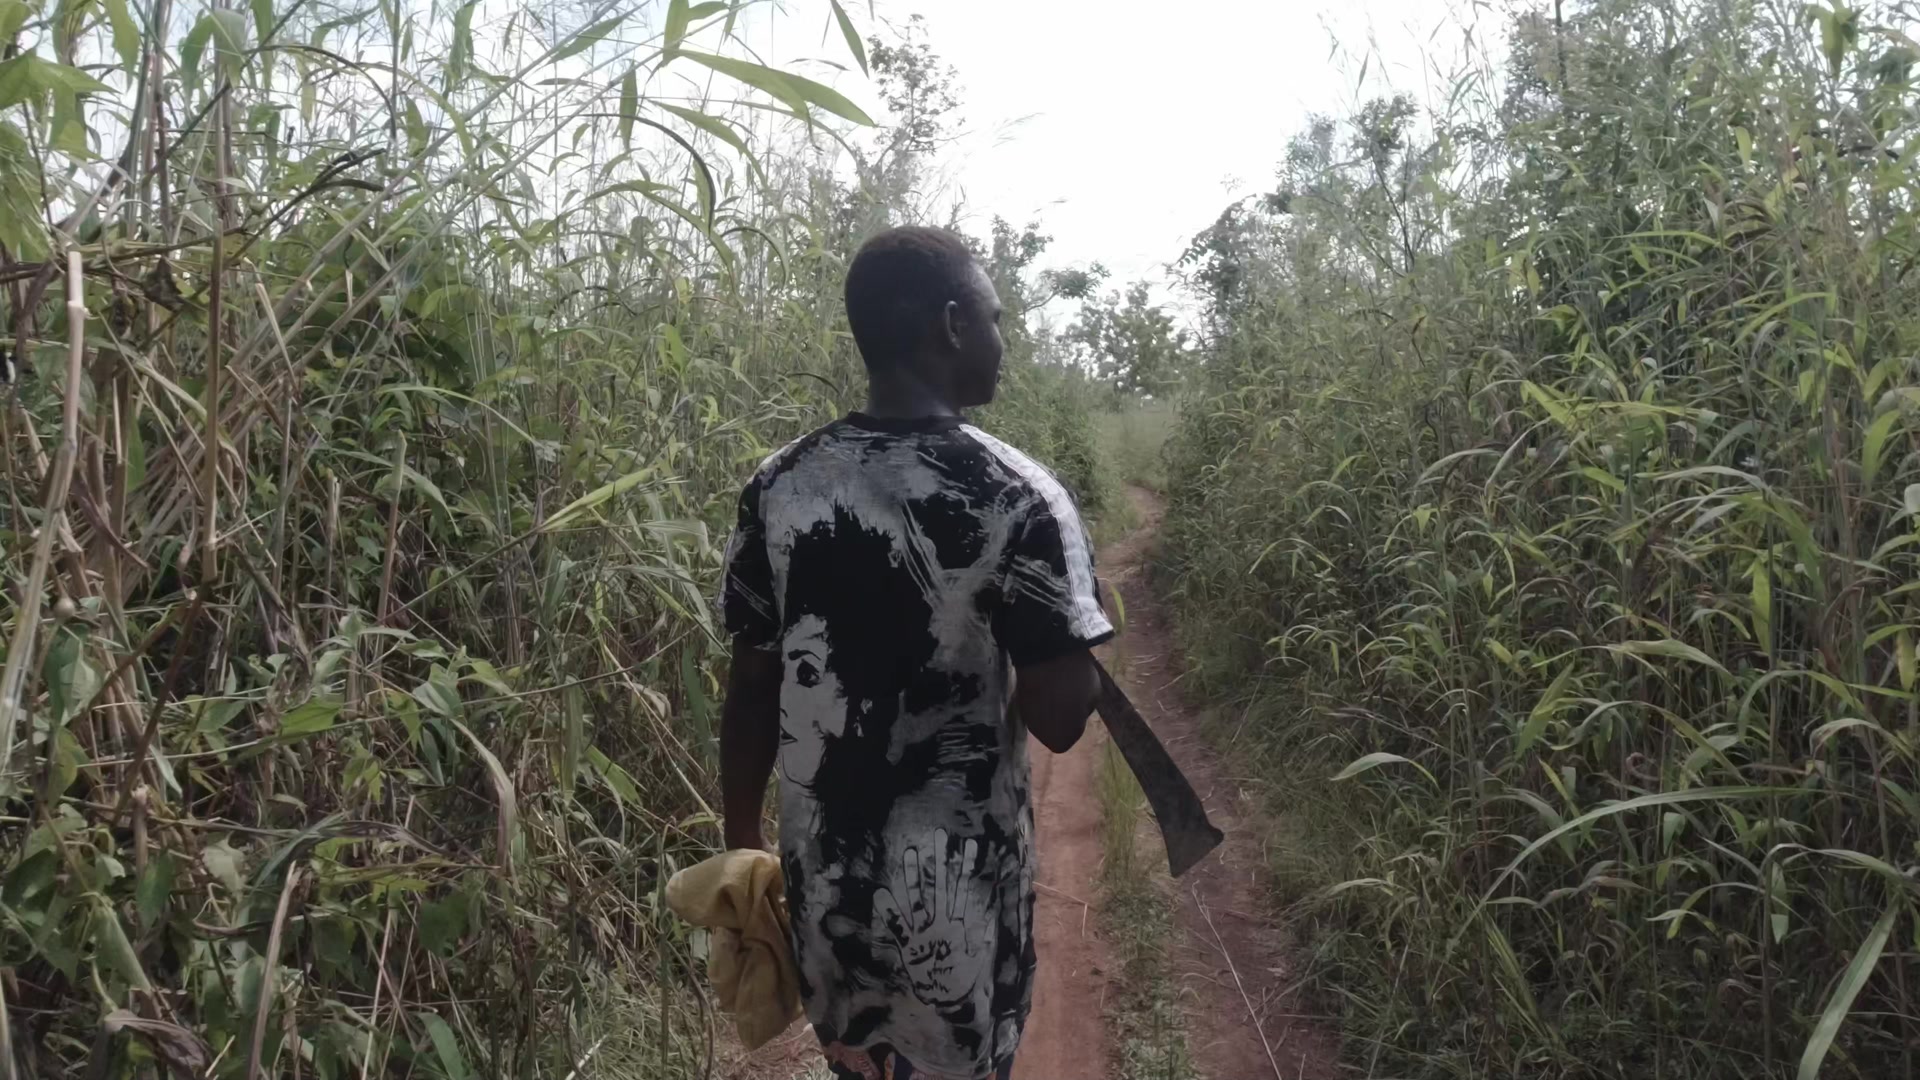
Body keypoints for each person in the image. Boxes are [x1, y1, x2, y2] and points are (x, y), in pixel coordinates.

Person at [717, 225, 1112, 1080]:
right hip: (959, 906)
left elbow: (751, 687)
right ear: (951, 324)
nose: (1004, 340)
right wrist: (1086, 623)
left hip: (828, 894)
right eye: (995, 317)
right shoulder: (1019, 495)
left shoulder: (780, 486)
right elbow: (1059, 722)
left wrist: (741, 848)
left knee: (857, 1066)